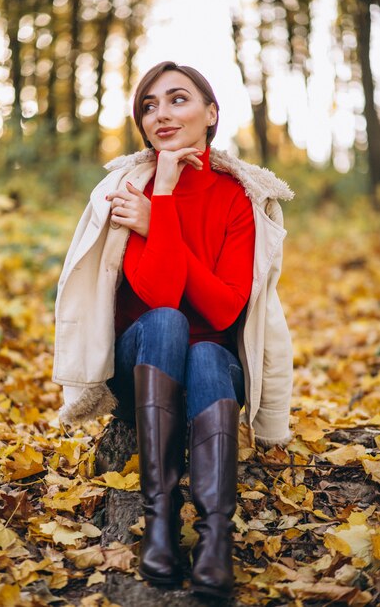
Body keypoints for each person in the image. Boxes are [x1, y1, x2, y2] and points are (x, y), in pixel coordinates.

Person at [52, 61, 294, 599]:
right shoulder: (129, 189)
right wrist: (161, 190)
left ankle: (214, 542)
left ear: (211, 114)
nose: (161, 113)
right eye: (149, 105)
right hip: (141, 359)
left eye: (177, 99)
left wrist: (160, 225)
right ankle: (159, 521)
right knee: (166, 319)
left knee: (209, 354)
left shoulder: (240, 197)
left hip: (211, 366)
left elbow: (226, 311)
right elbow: (161, 297)